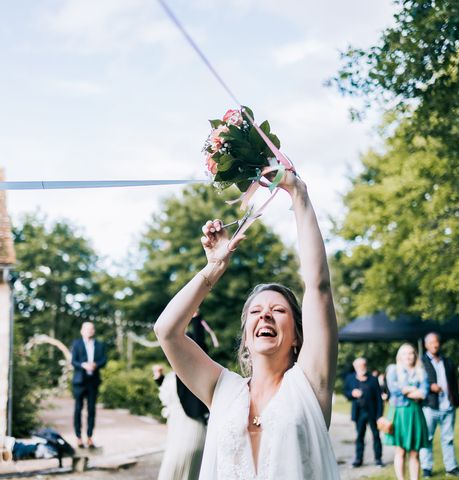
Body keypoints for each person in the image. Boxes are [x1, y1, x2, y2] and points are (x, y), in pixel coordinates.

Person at [154, 172, 340, 479]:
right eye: (255, 311)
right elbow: (167, 332)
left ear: (297, 337)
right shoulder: (221, 389)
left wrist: (298, 194)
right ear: (245, 337)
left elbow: (318, 286)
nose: (265, 315)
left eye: (278, 310)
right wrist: (214, 267)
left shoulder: (310, 382)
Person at [155, 312, 212, 480]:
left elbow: (200, 344)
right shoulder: (175, 374)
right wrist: (159, 379)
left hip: (191, 427)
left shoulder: (195, 370)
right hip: (176, 428)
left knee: (180, 468)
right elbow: (174, 393)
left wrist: (196, 319)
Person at [419, 332, 459, 477]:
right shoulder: (421, 362)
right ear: (426, 345)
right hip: (430, 406)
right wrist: (429, 386)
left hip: (448, 406)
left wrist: (456, 400)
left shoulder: (447, 361)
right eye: (431, 342)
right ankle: (427, 468)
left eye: (437, 342)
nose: (435, 345)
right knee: (427, 438)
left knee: (448, 438)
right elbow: (417, 381)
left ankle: (451, 468)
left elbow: (454, 383)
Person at [385, 343, 430, 480]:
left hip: (415, 413)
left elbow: (424, 393)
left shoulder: (421, 371)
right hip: (399, 412)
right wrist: (412, 390)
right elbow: (394, 390)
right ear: (400, 356)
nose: (408, 356)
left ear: (415, 355)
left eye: (411, 353)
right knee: (400, 450)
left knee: (415, 452)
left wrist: (406, 389)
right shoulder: (393, 369)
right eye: (405, 353)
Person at [71, 321, 107, 449]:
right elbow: (73, 361)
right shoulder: (76, 344)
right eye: (87, 329)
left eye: (92, 329)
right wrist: (83, 365)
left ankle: (90, 437)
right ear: (82, 331)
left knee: (91, 410)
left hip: (93, 381)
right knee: (78, 410)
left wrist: (96, 365)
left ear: (94, 331)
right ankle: (78, 437)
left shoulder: (100, 344)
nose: (90, 331)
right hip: (79, 382)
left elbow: (104, 360)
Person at [343, 357, 384, 468]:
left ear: (366, 366)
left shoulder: (373, 379)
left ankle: (378, 459)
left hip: (372, 412)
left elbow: (379, 399)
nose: (361, 367)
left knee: (376, 436)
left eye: (363, 365)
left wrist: (380, 415)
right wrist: (352, 393)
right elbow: (345, 393)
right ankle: (358, 459)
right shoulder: (350, 378)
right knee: (360, 436)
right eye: (359, 366)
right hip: (358, 412)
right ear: (355, 367)